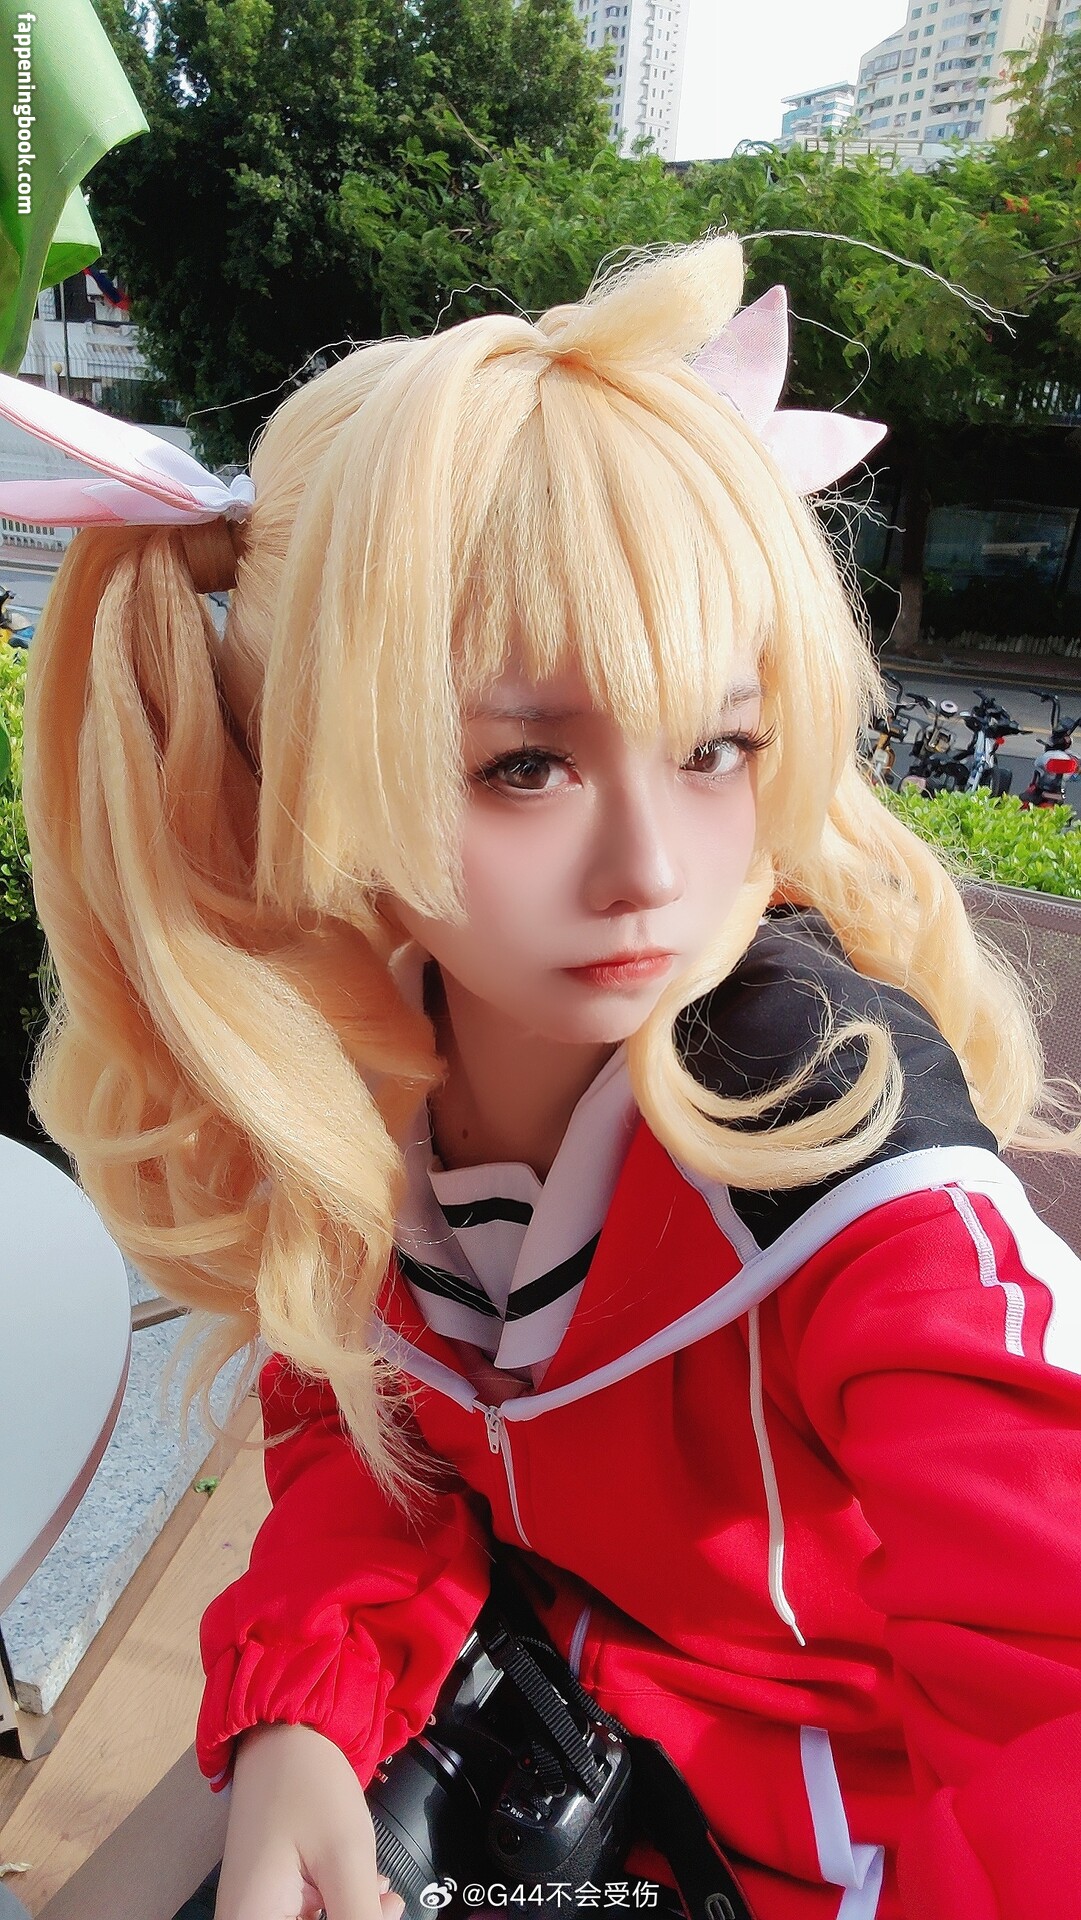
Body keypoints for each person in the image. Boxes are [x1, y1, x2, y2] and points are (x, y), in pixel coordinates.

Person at [10, 234, 1081, 1920]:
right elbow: (363, 1424)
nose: (653, 867)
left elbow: (1047, 1654)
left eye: (715, 745)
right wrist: (303, 1698)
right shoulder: (356, 1071)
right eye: (522, 764)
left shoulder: (834, 1137)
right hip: (521, 1741)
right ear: (310, 763)